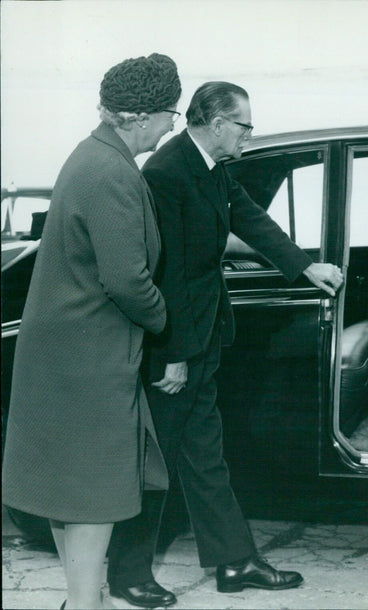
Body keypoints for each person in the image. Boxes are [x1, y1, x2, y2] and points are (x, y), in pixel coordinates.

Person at [106, 81, 343, 608]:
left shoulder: (210, 169)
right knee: (155, 462)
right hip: (177, 347)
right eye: (245, 127)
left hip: (203, 336)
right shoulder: (165, 174)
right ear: (216, 126)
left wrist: (304, 266)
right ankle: (126, 573)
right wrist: (173, 354)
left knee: (206, 458)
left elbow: (249, 217)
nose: (248, 137)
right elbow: (161, 274)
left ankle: (234, 560)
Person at [1, 54, 182, 610]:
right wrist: (164, 322)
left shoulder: (91, 155)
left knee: (71, 487)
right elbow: (127, 281)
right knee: (95, 489)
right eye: (170, 113)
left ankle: (85, 599)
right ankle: (83, 605)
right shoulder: (111, 172)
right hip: (89, 357)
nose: (173, 125)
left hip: (66, 352)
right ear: (144, 116)